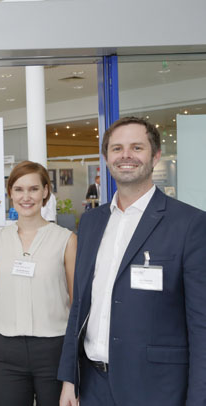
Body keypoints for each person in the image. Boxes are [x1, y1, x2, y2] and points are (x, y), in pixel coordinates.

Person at [58, 117, 206, 406]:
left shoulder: (189, 224)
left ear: (155, 156)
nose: (125, 156)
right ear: (106, 157)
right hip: (92, 386)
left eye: (136, 147)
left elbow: (201, 324)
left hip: (157, 390)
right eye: (117, 148)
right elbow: (79, 308)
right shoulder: (90, 223)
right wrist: (69, 378)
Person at [0, 161, 77, 406]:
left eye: (34, 189)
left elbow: (76, 303)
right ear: (10, 193)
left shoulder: (66, 240)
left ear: (46, 191)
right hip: (6, 351)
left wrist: (74, 364)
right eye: (18, 189)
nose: (26, 197)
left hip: (53, 349)